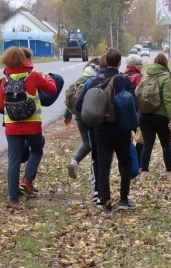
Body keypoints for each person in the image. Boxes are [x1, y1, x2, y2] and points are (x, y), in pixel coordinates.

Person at [75, 48, 138, 211]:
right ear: (118, 63)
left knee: (103, 164)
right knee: (125, 162)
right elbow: (135, 104)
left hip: (100, 129)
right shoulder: (124, 81)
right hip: (121, 128)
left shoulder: (93, 81)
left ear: (105, 62)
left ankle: (105, 201)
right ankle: (124, 200)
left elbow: (79, 105)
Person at [0, 47, 57, 205]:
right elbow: (52, 89)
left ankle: (13, 199)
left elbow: (0, 104)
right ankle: (27, 180)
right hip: (32, 125)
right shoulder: (33, 76)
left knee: (13, 160)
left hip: (11, 127)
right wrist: (47, 77)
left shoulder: (5, 80)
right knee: (37, 150)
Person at [139, 53, 171, 181]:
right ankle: (170, 173)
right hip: (160, 116)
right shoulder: (165, 77)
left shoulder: (146, 75)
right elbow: (167, 100)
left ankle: (144, 174)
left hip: (144, 115)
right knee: (166, 145)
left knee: (147, 145)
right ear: (165, 63)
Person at [65, 59, 100, 181]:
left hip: (79, 117)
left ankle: (75, 161)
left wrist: (68, 114)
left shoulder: (79, 81)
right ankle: (93, 173)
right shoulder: (93, 82)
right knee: (95, 145)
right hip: (91, 116)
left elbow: (71, 100)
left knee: (87, 142)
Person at [123, 54, 143, 168]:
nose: (142, 67)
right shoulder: (138, 77)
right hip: (136, 112)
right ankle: (138, 163)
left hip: (123, 112)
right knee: (141, 138)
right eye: (141, 65)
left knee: (127, 138)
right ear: (135, 65)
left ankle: (128, 162)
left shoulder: (122, 75)